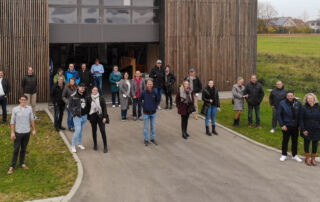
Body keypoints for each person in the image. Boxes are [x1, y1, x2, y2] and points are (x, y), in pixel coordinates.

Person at [7, 95, 36, 175]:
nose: (23, 101)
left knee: (23, 149)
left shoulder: (29, 108)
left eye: (25, 100)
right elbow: (12, 122)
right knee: (16, 150)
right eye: (22, 100)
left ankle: (22, 163)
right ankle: (12, 166)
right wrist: (12, 132)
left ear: (26, 101)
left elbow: (32, 119)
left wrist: (34, 129)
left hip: (27, 132)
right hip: (18, 133)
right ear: (19, 100)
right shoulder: (15, 109)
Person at [277, 91, 302, 163]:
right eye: (288, 96)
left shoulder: (298, 103)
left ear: (294, 96)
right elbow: (279, 115)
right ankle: (284, 154)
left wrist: (300, 125)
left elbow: (300, 115)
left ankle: (294, 155)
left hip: (295, 126)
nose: (290, 97)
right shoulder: (282, 103)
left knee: (295, 141)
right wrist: (282, 125)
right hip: (286, 125)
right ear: (286, 96)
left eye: (291, 95)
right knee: (285, 140)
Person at [87, 86, 109, 153]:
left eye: (96, 90)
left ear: (98, 91)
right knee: (94, 131)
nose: (95, 91)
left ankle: (105, 146)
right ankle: (95, 145)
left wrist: (105, 117)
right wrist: (88, 117)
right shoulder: (88, 98)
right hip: (92, 116)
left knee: (102, 131)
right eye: (94, 90)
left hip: (100, 116)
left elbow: (104, 108)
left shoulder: (101, 98)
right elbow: (87, 108)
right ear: (92, 91)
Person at [300, 93, 320, 166]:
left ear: (314, 99)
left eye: (311, 98)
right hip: (307, 129)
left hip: (317, 129)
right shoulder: (303, 107)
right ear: (306, 99)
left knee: (315, 144)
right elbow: (301, 119)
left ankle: (313, 159)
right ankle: (307, 158)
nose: (310, 100)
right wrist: (303, 129)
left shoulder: (318, 107)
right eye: (308, 98)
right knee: (307, 143)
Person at [68, 83, 89, 153]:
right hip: (77, 116)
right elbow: (69, 106)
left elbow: (88, 104)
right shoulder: (73, 95)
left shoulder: (86, 94)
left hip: (84, 116)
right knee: (77, 130)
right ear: (78, 87)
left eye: (84, 88)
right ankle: (73, 145)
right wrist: (74, 114)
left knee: (81, 130)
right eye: (81, 88)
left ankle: (79, 144)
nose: (83, 89)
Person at [140, 80, 159, 146]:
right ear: (146, 84)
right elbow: (140, 100)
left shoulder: (155, 92)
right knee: (145, 127)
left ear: (152, 84)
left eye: (151, 84)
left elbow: (157, 100)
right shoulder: (144, 92)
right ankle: (146, 140)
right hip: (146, 113)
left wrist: (155, 106)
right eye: (148, 84)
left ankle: (152, 139)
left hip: (153, 113)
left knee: (153, 127)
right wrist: (143, 106)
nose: (149, 85)